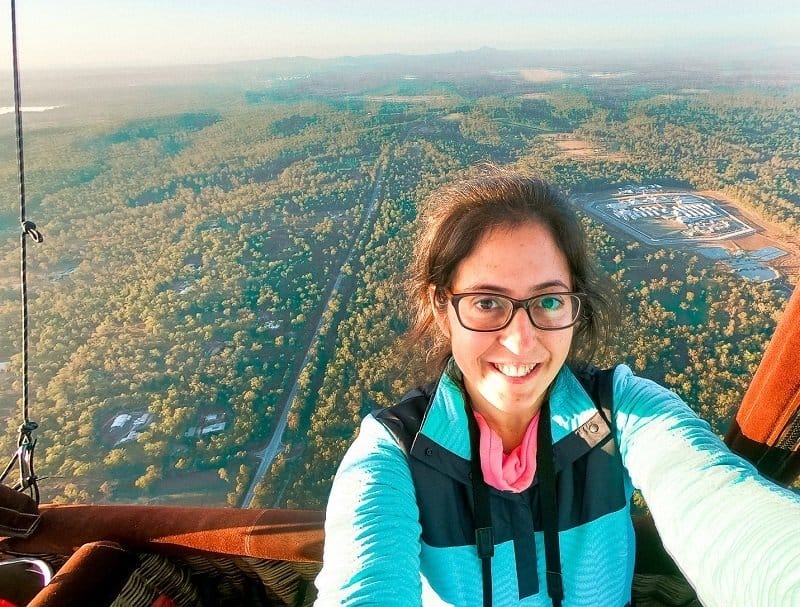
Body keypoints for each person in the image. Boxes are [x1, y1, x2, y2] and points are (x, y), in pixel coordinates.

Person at [314, 171, 800, 606]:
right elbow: (363, 580)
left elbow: (721, 506)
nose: (520, 340)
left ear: (574, 306)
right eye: (487, 302)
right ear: (443, 310)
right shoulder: (396, 453)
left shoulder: (623, 412)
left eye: (547, 301)